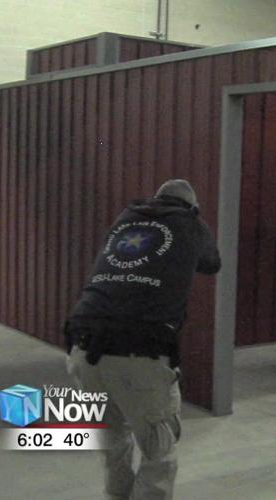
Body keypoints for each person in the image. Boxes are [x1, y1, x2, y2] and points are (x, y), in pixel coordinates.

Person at [65, 179, 220, 500]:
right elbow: (211, 263)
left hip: (83, 347)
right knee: (158, 452)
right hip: (139, 354)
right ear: (192, 207)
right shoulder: (190, 223)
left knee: (113, 443)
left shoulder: (126, 218)